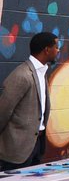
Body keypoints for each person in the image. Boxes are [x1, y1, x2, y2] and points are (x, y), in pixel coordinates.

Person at [0, 32, 58, 170]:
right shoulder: (22, 75)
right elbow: (3, 111)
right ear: (47, 50)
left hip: (36, 145)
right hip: (16, 150)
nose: (58, 50)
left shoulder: (41, 72)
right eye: (56, 47)